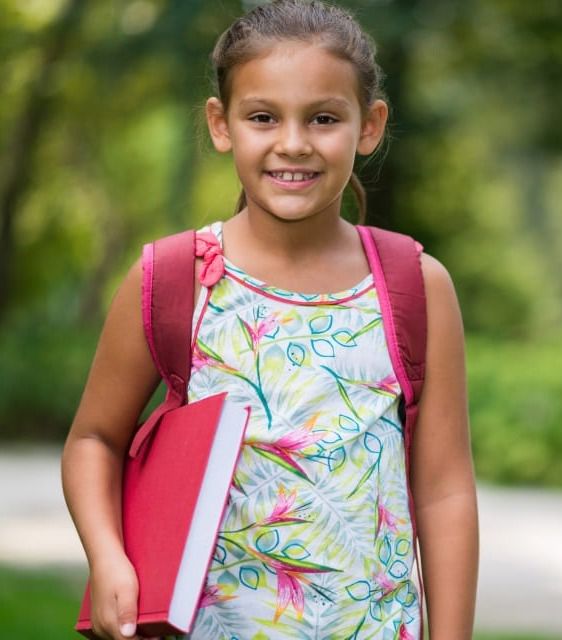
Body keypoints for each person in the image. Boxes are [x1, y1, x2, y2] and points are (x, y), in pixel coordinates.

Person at [61, 1, 479, 638]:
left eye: (323, 118)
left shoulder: (415, 286)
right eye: (262, 117)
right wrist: (108, 555)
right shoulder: (171, 278)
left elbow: (445, 491)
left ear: (368, 126)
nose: (293, 143)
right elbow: (94, 440)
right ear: (221, 123)